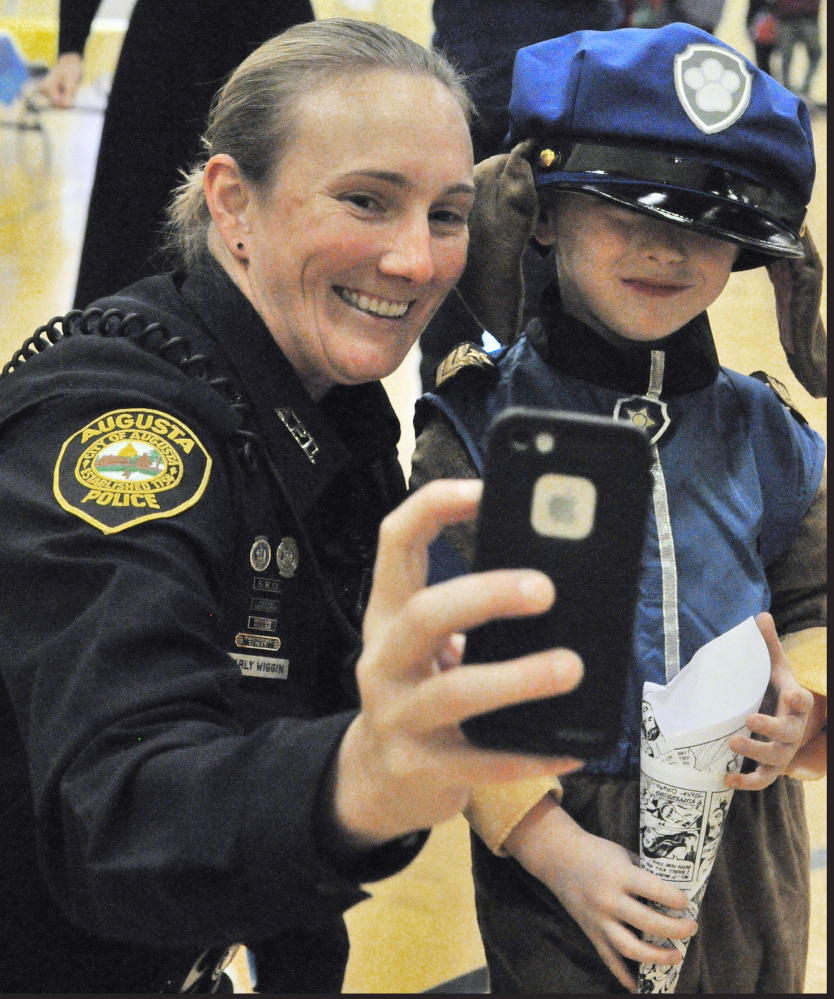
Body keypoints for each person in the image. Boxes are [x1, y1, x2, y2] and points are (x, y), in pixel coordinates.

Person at [0, 20, 587, 994]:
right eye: (366, 201)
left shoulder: (329, 405)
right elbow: (122, 806)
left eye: (447, 216)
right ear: (234, 204)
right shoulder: (120, 431)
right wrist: (359, 779)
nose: (414, 260)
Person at [412, 24, 826, 993]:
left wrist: (802, 703)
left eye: (706, 224)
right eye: (625, 208)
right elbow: (436, 678)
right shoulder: (476, 437)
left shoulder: (765, 431)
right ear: (543, 215)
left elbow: (813, 598)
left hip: (751, 846)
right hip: (560, 846)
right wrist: (555, 849)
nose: (668, 249)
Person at [38, 0, 316, 310]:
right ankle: (109, 343)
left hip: (269, 37)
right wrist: (71, 49)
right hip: (169, 49)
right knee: (133, 221)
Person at [419, 0, 625, 390]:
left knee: (555, 308)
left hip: (557, 104)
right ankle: (448, 432)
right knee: (453, 297)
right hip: (486, 96)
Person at [774, 0, 822, 99]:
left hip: (807, 17)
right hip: (787, 18)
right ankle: (786, 88)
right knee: (785, 54)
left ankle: (804, 89)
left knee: (815, 53)